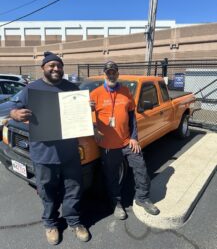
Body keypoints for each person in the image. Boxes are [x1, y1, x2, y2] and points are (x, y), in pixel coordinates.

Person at [10, 51, 90, 245]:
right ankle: (50, 223)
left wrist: (87, 107)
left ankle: (74, 221)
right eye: (51, 65)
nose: (56, 69)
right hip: (43, 152)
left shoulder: (71, 88)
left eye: (59, 65)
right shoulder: (32, 89)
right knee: (47, 190)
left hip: (69, 151)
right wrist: (15, 114)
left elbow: (79, 113)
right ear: (43, 68)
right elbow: (14, 108)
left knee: (73, 188)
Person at [90, 61, 160, 220]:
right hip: (108, 145)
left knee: (140, 166)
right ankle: (116, 203)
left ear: (117, 73)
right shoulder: (95, 94)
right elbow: (85, 116)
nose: (111, 75)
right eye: (108, 72)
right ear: (104, 74)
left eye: (114, 72)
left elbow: (132, 117)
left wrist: (134, 138)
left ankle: (142, 198)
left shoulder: (126, 92)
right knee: (112, 176)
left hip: (127, 142)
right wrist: (94, 129)